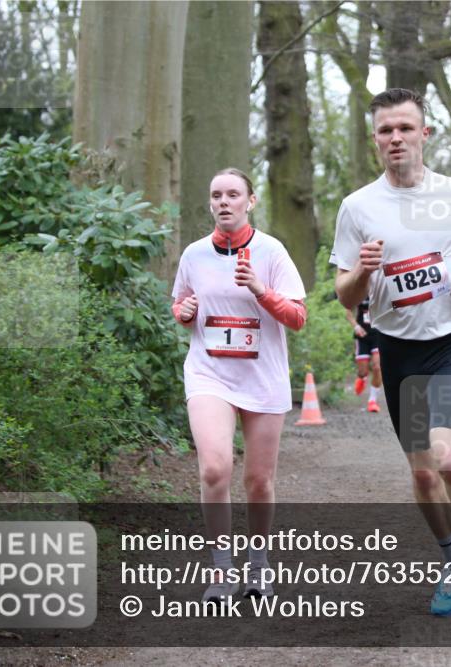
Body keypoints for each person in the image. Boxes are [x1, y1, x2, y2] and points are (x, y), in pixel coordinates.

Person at [331, 89, 451, 616]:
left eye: (405, 128)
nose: (396, 138)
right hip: (398, 352)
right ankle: (449, 561)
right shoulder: (358, 207)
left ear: (425, 134)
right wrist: (363, 271)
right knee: (421, 474)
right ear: (375, 140)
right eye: (386, 130)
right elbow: (345, 295)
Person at [171, 167, 307, 603]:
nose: (224, 202)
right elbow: (180, 304)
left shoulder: (271, 251)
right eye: (216, 195)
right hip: (210, 373)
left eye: (233, 194)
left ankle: (259, 563)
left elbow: (298, 318)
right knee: (214, 467)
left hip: (262, 377)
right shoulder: (193, 254)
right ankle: (220, 567)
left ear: (250, 201)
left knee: (258, 481)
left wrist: (260, 290)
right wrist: (185, 311)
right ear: (209, 203)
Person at [344, 297, 383, 412]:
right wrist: (356, 326)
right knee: (363, 371)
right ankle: (362, 378)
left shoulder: (381, 288)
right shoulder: (360, 292)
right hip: (362, 335)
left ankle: (372, 401)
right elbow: (348, 312)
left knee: (377, 367)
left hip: (378, 334)